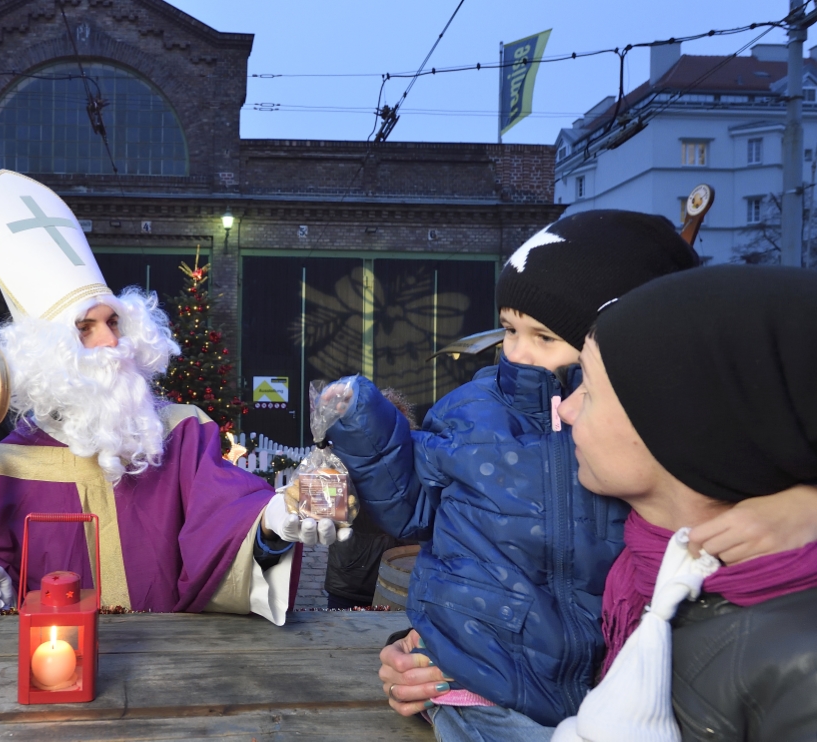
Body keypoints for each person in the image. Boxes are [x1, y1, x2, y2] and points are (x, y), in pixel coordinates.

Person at [324, 211, 700, 735]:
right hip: (483, 672)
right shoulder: (473, 410)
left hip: (617, 680)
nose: (516, 354)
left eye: (543, 336)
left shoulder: (654, 435)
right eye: (508, 328)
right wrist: (366, 428)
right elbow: (413, 503)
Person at [0, 170, 337, 624]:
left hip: (173, 669)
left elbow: (228, 515)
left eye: (114, 322)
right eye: (85, 328)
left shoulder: (181, 432)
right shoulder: (5, 467)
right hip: (57, 678)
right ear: (42, 355)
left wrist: (270, 524)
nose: (111, 341)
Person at [552, 265, 817, 740]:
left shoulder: (802, 668)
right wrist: (443, 674)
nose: (566, 409)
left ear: (682, 427)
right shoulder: (638, 564)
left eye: (588, 389)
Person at [324, 387, 415, 610]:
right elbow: (326, 510)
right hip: (352, 580)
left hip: (406, 576)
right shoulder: (338, 462)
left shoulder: (417, 455)